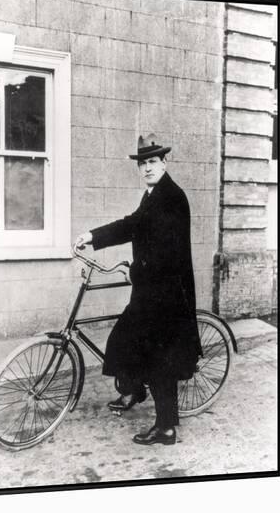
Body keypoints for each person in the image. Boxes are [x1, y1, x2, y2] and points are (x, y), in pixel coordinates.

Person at [75, 134, 202, 445]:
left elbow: (166, 254)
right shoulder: (153, 194)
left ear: (164, 163)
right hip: (151, 290)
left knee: (161, 361)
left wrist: (133, 270)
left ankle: (167, 428)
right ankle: (133, 389)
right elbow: (134, 224)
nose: (147, 167)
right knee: (123, 338)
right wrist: (92, 236)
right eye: (142, 163)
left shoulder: (170, 197)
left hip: (168, 295)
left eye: (152, 161)